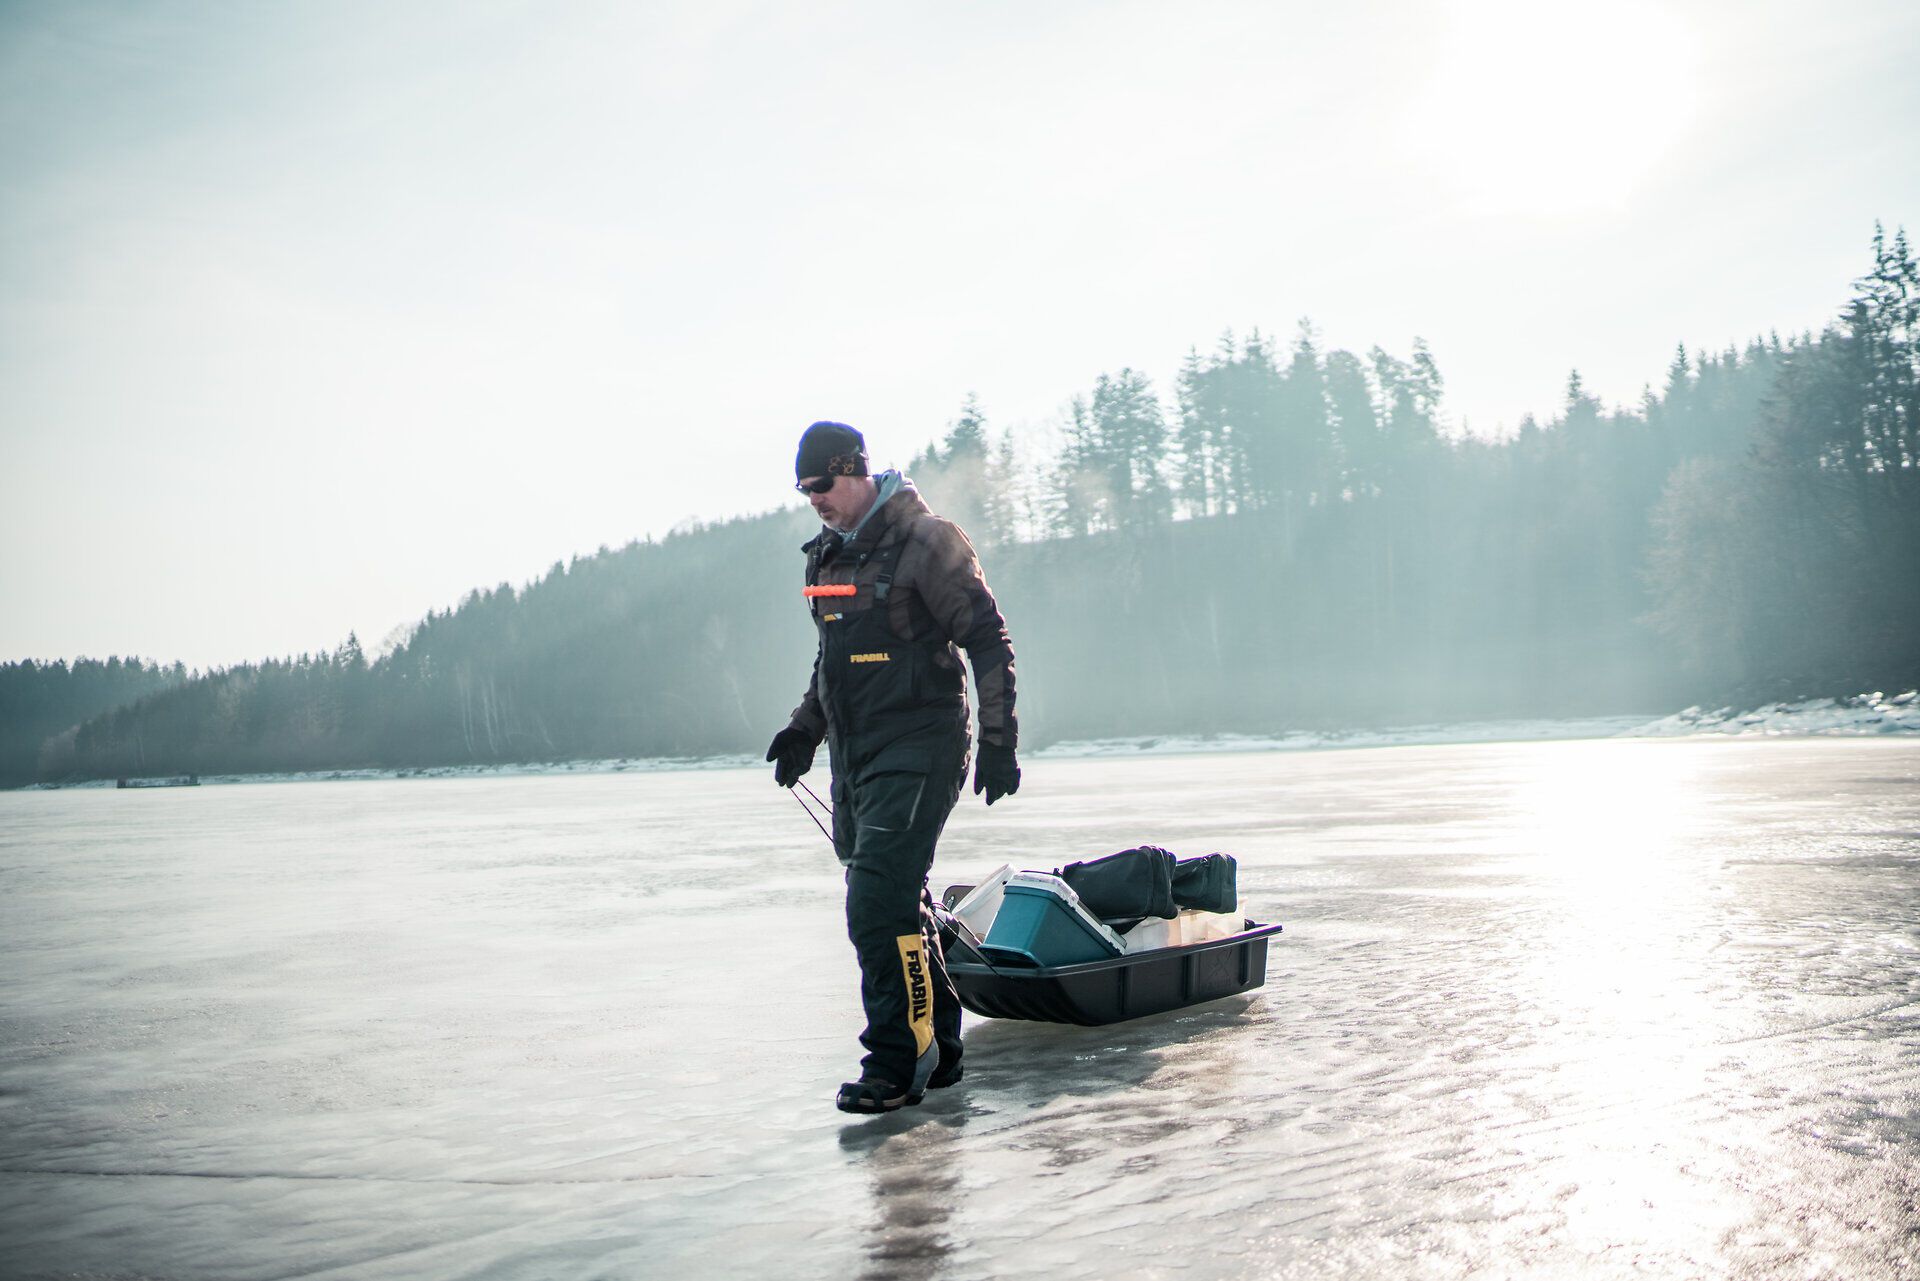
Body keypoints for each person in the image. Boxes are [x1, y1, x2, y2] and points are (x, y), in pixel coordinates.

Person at [766, 420, 1020, 1114]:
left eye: (821, 485)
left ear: (852, 472)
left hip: (924, 744)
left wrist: (1000, 740)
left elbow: (988, 640)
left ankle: (895, 1062)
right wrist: (802, 730)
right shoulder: (825, 557)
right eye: (803, 489)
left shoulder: (925, 542)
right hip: (859, 754)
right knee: (897, 898)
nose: (812, 499)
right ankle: (939, 1048)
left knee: (876, 900)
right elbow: (832, 665)